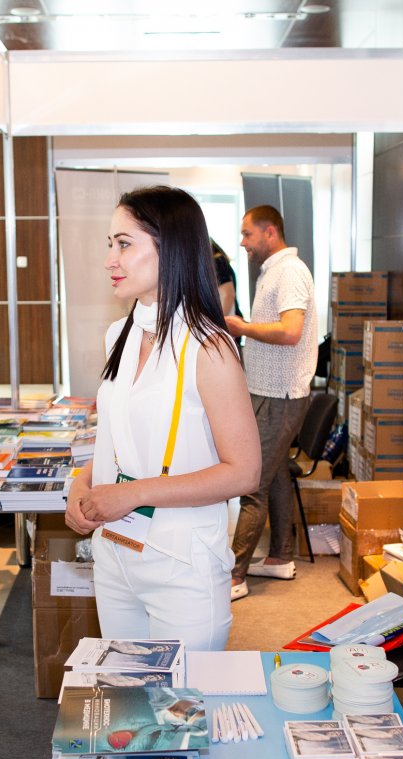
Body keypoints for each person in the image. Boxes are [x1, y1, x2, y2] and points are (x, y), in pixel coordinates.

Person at [64, 186, 261, 649]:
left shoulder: (209, 347)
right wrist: (83, 483)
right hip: (115, 553)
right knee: (126, 688)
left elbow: (245, 472)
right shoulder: (119, 334)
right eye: (110, 245)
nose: (110, 260)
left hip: (182, 564)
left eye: (124, 244)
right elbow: (118, 440)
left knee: (183, 694)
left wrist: (131, 494)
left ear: (169, 247)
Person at [224, 204, 319, 601]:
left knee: (252, 482)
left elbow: (291, 331)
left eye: (247, 234)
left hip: (282, 394)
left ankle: (234, 576)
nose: (242, 242)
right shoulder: (271, 272)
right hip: (268, 390)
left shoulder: (290, 272)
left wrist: (242, 327)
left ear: (269, 232)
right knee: (275, 474)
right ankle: (280, 557)